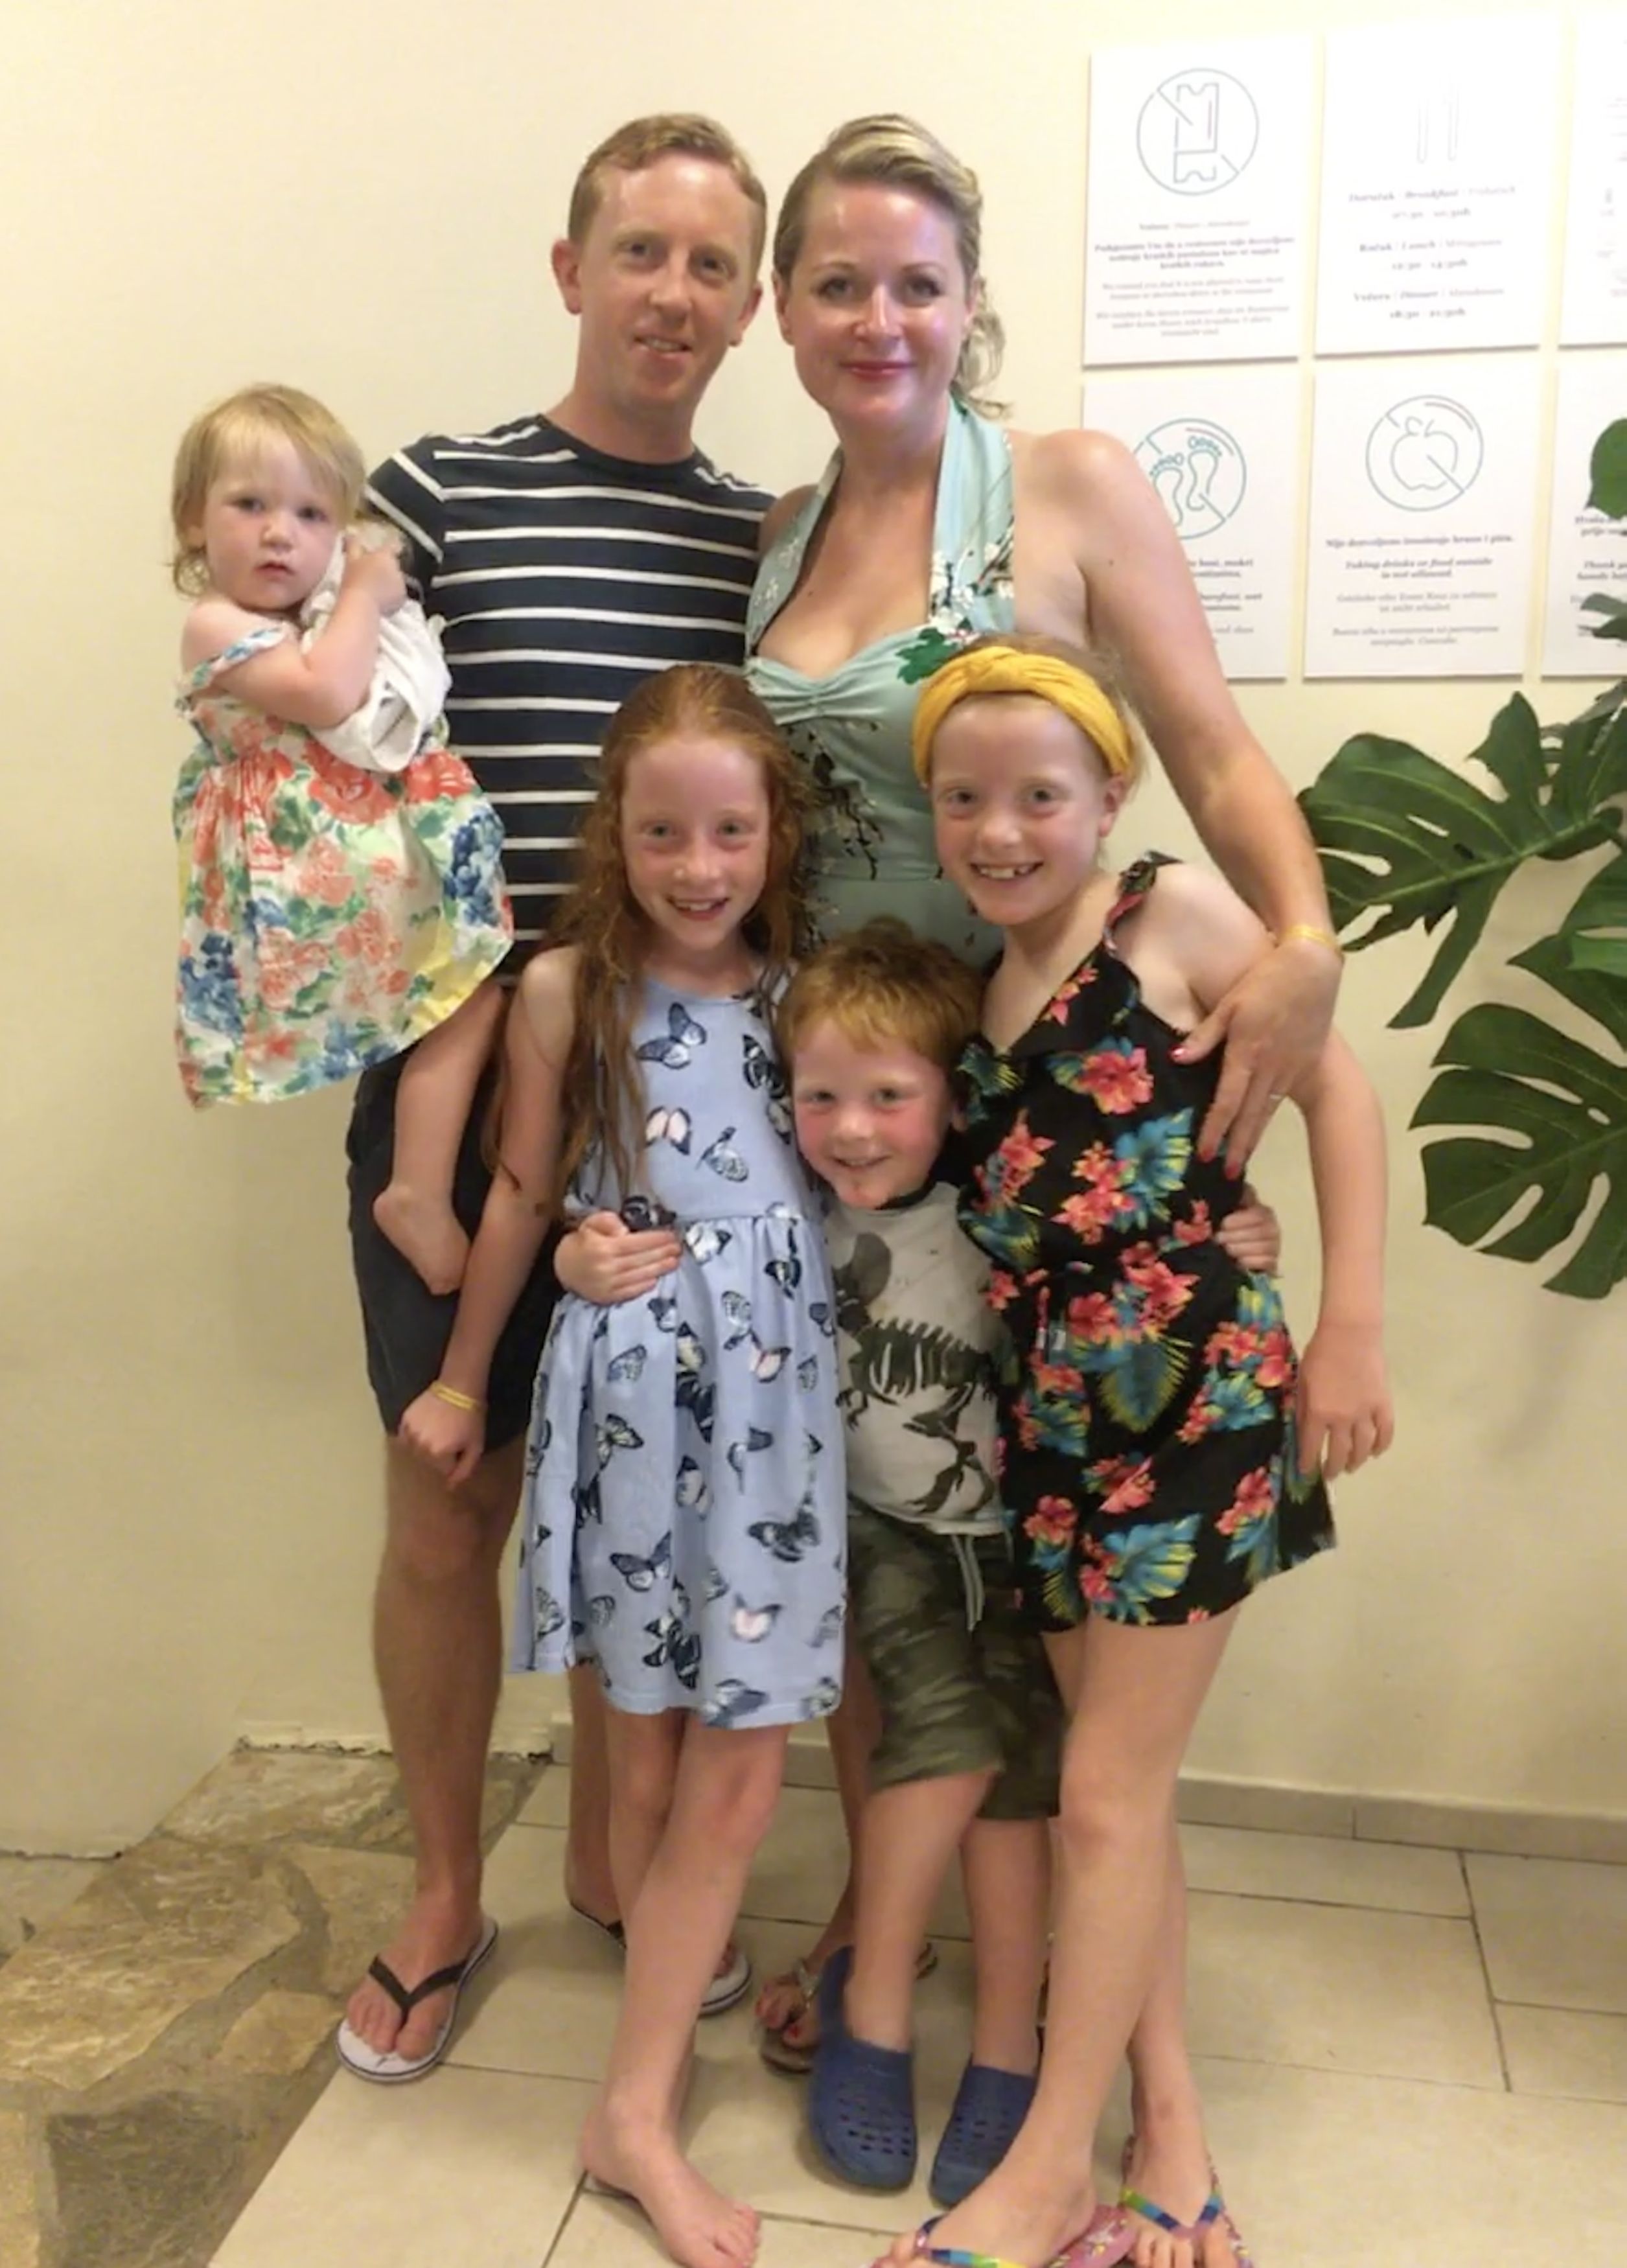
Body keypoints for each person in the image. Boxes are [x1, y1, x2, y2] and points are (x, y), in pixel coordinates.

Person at [745, 110, 1333, 2069]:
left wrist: (1306, 937)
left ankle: (1073, 2025)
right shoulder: (775, 538)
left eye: (916, 284)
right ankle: (884, 1913)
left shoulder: (1068, 485)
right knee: (884, 1543)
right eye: (839, 282)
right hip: (853, 1120)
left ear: (970, 304)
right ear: (786, 310)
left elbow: (1209, 749)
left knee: (1057, 1581)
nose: (878, 318)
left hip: (1037, 1120)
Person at [336, 114, 772, 2084]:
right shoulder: (434, 492)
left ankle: (621, 1862)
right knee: (453, 1495)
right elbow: (319, 715)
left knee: (650, 1499)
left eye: (711, 263)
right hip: (456, 1085)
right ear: (570, 268)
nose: (672, 292)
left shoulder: (760, 542)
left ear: (747, 305)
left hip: (680, 1101)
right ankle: (444, 1892)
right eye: (640, 251)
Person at [892, 634, 1393, 2268]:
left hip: (1194, 1407)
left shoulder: (1169, 917)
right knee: (1119, 1796)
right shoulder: (972, 987)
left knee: (1104, 1791)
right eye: (964, 798)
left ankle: (1048, 2168)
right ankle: (1167, 2131)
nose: (999, 830)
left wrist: (1348, 1325)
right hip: (1047, 1420)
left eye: (1038, 795)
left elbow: (1338, 1100)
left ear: (1107, 796)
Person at [404, 663, 844, 2268]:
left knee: (746, 1759)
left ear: (774, 830)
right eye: (663, 832)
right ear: (615, 829)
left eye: (728, 831)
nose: (697, 866)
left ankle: (635, 2100)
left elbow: (885, 1164)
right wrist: (466, 1377)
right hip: (639, 1404)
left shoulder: (813, 993)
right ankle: (637, 2109)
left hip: (780, 1418)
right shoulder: (562, 992)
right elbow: (525, 1191)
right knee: (649, 1758)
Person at [170, 384, 512, 1294]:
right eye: (250, 504)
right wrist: (364, 587)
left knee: (471, 993)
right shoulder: (217, 623)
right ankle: (416, 1189)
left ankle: (417, 1187)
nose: (279, 534)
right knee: (469, 991)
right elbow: (328, 694)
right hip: (307, 883)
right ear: (193, 520)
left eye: (312, 514)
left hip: (354, 870)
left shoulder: (309, 619)